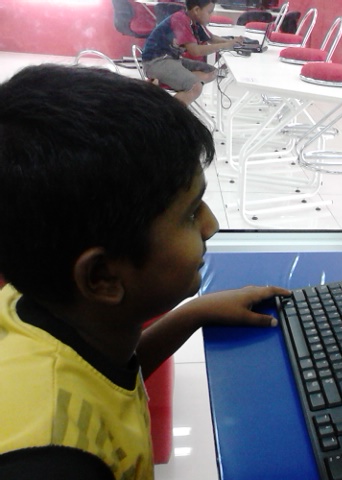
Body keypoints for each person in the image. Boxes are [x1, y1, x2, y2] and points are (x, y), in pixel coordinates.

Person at [0, 64, 289, 479]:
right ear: (101, 277)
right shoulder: (56, 461)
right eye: (191, 214)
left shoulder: (31, 299)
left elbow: (104, 376)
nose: (211, 225)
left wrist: (195, 312)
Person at [142, 0, 243, 105]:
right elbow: (195, 51)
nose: (211, 15)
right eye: (209, 12)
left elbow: (211, 38)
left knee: (211, 72)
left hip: (172, 60)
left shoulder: (195, 21)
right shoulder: (180, 20)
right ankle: (165, 112)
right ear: (196, 10)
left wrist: (232, 42)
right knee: (195, 87)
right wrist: (225, 45)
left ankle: (176, 85)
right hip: (155, 62)